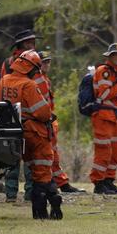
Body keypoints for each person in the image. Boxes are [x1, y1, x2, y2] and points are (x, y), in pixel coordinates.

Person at [0, 50, 62, 219]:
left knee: (33, 167)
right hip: (35, 133)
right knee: (42, 170)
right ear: (29, 67)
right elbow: (43, 112)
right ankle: (42, 211)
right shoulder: (29, 85)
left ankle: (47, 206)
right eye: (35, 69)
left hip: (16, 134)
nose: (36, 72)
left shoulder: (4, 81)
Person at [0, 29, 39, 202]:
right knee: (16, 157)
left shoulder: (33, 61)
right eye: (29, 43)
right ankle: (12, 194)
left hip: (21, 117)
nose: (32, 45)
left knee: (27, 158)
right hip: (19, 117)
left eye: (33, 42)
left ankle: (29, 194)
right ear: (21, 45)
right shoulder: (9, 63)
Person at [89, 43, 117, 195]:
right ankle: (99, 183)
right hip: (103, 116)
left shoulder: (116, 72)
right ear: (110, 56)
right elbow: (103, 95)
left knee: (115, 152)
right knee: (103, 151)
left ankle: (108, 181)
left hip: (113, 116)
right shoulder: (104, 71)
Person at [39, 52, 82, 193]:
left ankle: (61, 183)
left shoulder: (45, 79)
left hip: (50, 122)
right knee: (47, 155)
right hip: (43, 122)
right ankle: (55, 183)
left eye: (48, 62)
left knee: (53, 155)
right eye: (44, 62)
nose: (47, 65)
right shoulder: (37, 79)